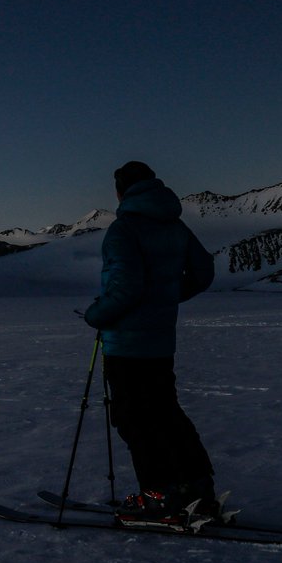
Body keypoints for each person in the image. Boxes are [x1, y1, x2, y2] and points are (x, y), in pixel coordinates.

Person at [82, 161, 218, 528]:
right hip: (160, 342)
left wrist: (96, 314)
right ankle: (196, 488)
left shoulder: (124, 229)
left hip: (126, 344)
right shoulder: (175, 225)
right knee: (166, 413)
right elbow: (203, 272)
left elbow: (126, 287)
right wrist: (166, 299)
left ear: (120, 192)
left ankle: (159, 496)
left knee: (135, 419)